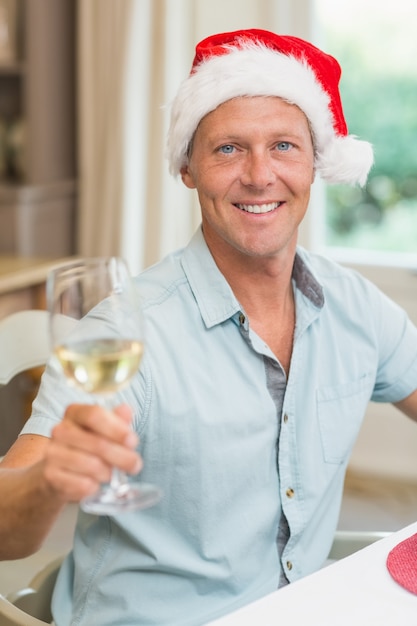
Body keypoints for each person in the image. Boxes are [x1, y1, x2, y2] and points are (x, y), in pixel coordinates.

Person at [1, 28, 417, 626]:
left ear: (314, 163)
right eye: (228, 150)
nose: (259, 175)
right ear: (187, 168)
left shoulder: (355, 306)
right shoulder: (126, 332)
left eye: (283, 146)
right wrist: (50, 481)